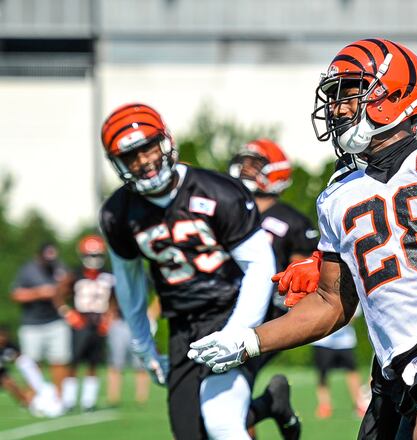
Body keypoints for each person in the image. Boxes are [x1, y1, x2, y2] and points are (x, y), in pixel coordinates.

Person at [188, 38, 417, 440]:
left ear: (394, 94)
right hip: (397, 373)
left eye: (349, 94)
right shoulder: (336, 194)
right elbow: (331, 303)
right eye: (333, 98)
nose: (336, 108)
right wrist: (249, 340)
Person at [98, 103, 298, 440]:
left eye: (147, 147)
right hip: (182, 326)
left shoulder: (217, 191)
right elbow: (129, 282)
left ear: (165, 141)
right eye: (131, 156)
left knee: (221, 419)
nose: (143, 161)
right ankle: (270, 405)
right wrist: (143, 343)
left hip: (231, 307)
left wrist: (239, 331)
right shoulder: (118, 213)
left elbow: (260, 264)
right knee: (190, 432)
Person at [228, 138, 316, 435]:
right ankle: (272, 404)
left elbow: (303, 279)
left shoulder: (291, 220)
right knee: (225, 399)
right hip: (229, 310)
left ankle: (269, 404)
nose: (245, 168)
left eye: (256, 164)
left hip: (268, 317)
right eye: (245, 161)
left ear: (276, 172)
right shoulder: (230, 212)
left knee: (229, 401)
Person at [58, 234, 115, 412]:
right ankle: (69, 400)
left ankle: (88, 401)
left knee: (94, 363)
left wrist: (109, 318)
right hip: (81, 322)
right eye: (90, 256)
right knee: (74, 361)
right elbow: (58, 295)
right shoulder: (74, 274)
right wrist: (69, 314)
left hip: (99, 321)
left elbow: (114, 300)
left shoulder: (108, 276)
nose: (94, 260)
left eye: (97, 256)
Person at [10, 243, 73, 396]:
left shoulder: (60, 267)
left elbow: (70, 290)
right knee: (32, 363)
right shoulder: (27, 270)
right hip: (32, 324)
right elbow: (15, 294)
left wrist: (61, 289)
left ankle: (59, 398)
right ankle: (35, 396)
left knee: (59, 360)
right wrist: (39, 293)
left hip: (56, 321)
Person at [310, 307, 366, 419]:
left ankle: (359, 404)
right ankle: (324, 405)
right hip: (323, 341)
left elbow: (352, 317)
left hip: (345, 341)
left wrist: (332, 320)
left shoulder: (350, 291)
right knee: (322, 374)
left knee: (352, 371)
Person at [0, 325, 64, 417]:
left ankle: (27, 402)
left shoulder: (10, 346)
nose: (2, 338)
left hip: (2, 372)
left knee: (9, 383)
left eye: (3, 336)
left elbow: (21, 360)